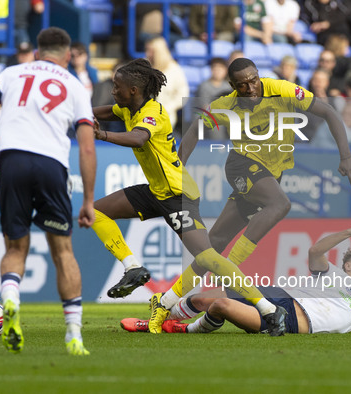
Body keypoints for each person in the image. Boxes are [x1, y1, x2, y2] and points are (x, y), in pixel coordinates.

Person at [90, 58, 288, 336]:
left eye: (116, 86)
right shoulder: (127, 108)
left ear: (134, 90)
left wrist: (102, 134)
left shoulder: (153, 113)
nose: (113, 90)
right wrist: (75, 114)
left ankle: (267, 308)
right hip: (155, 191)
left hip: (177, 194)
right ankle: (133, 268)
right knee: (94, 212)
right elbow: (97, 112)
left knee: (207, 257)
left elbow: (138, 139)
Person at [170, 57, 351, 331]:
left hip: (268, 174)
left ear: (258, 75)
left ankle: (171, 303)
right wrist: (176, 170)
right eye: (242, 85)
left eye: (253, 80)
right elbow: (193, 133)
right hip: (242, 166)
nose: (250, 88)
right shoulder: (225, 105)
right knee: (280, 204)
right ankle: (230, 272)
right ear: (232, 86)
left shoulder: (282, 90)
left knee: (215, 241)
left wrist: (345, 156)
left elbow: (329, 111)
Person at [0, 27, 96, 356]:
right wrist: (87, 200)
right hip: (51, 165)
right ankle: (73, 336)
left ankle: (10, 299)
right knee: (63, 252)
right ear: (68, 56)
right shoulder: (74, 85)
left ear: (38, 52)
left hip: (11, 159)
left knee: (15, 247)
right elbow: (86, 149)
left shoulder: (12, 72)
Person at [121, 224, 351, 336]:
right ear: (349, 264)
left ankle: (183, 330)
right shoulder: (333, 274)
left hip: (292, 321)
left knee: (220, 305)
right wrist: (349, 232)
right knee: (203, 296)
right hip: (279, 296)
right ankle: (158, 319)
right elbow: (315, 251)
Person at [145, 37, 189, 130]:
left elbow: (183, 94)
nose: (147, 54)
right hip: (143, 116)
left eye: (150, 51)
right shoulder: (144, 67)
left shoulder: (174, 70)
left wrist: (167, 108)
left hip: (165, 118)